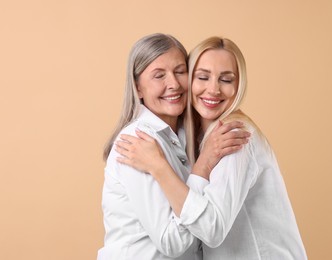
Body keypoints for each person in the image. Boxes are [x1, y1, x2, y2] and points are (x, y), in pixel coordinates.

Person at [115, 36, 307, 259]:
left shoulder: (233, 135)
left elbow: (210, 229)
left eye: (226, 80)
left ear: (238, 86)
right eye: (203, 77)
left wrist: (159, 167)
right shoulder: (180, 139)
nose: (213, 89)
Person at [98, 33, 250, 260]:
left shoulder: (183, 136)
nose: (174, 84)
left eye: (180, 71)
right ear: (138, 88)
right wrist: (203, 164)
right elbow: (172, 241)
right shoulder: (137, 142)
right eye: (159, 75)